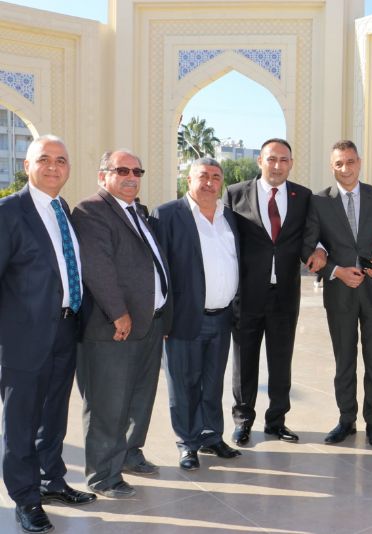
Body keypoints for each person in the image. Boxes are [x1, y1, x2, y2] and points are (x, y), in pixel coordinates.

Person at [0, 135, 96, 533]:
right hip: (23, 337)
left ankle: (51, 480)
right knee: (21, 421)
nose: (53, 166)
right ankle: (25, 498)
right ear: (27, 166)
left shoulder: (63, 210)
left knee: (53, 414)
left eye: (61, 160)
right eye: (44, 159)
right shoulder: (9, 212)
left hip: (65, 328)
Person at [73, 149, 173, 498]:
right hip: (113, 327)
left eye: (137, 171)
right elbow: (97, 267)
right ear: (103, 176)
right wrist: (118, 312)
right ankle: (103, 475)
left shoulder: (137, 211)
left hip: (149, 324)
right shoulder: (91, 210)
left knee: (139, 398)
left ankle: (130, 453)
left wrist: (164, 316)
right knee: (108, 403)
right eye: (122, 170)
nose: (132, 177)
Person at [302, 140, 372, 448]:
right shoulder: (319, 201)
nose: (346, 168)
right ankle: (346, 420)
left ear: (359, 162)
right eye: (339, 163)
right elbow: (308, 245)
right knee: (344, 361)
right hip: (339, 293)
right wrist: (336, 271)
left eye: (351, 161)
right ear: (332, 167)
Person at [151, 158, 241, 470]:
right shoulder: (167, 215)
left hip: (223, 317)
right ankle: (187, 443)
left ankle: (211, 436)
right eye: (203, 176)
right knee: (183, 385)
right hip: (184, 318)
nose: (209, 183)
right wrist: (162, 318)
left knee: (213, 382)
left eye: (216, 177)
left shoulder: (229, 217)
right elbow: (158, 270)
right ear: (188, 180)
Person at [224, 138, 312, 445]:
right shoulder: (235, 194)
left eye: (283, 160)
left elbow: (312, 235)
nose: (277, 165)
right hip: (247, 294)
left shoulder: (303, 196)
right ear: (260, 161)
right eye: (271, 159)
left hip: (285, 295)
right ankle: (243, 420)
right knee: (244, 361)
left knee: (281, 361)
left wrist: (320, 251)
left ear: (291, 164)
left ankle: (276, 421)